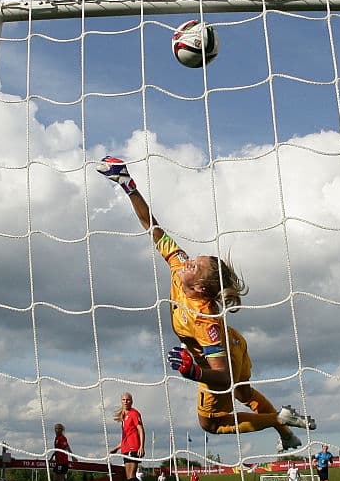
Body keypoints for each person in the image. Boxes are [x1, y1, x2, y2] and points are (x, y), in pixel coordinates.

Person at [98, 156, 316, 452]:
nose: (187, 262)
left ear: (200, 287)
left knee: (211, 424)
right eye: (193, 259)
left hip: (221, 355)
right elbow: (153, 227)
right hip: (235, 342)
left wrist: (195, 372)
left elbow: (222, 375)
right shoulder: (178, 266)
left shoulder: (205, 319)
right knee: (244, 391)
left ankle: (279, 419)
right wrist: (128, 185)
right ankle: (284, 429)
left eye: (194, 266)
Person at [109, 393, 150, 481]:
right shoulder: (124, 416)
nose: (126, 401)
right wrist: (117, 447)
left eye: (128, 400)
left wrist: (141, 446)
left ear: (131, 401)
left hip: (133, 448)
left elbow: (141, 430)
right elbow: (126, 436)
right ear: (121, 401)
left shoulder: (134, 413)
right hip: (125, 449)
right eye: (123, 400)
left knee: (131, 477)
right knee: (130, 478)